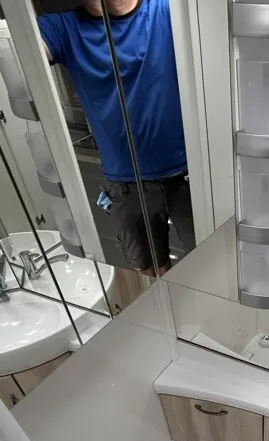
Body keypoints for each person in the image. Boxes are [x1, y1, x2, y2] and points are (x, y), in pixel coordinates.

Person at [39, 0, 195, 276]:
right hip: (126, 184)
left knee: (214, 263)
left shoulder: (166, 9)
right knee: (152, 272)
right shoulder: (63, 28)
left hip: (189, 175)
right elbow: (22, 48)